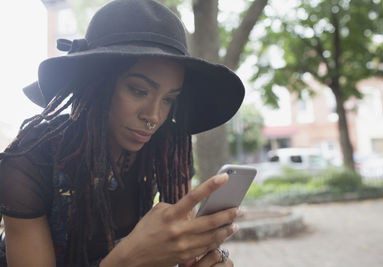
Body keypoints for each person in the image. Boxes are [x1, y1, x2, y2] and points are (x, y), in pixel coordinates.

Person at [0, 0, 245, 266]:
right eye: (139, 90)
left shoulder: (166, 150)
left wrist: (200, 257)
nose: (154, 117)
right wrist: (128, 259)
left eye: (168, 100)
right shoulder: (29, 164)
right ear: (97, 85)